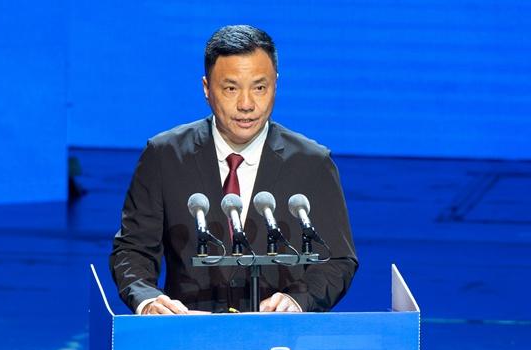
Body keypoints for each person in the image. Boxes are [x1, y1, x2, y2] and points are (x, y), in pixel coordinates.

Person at [110, 25, 358, 315]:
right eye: (231, 88)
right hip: (190, 331)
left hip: (280, 335)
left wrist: (298, 301)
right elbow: (133, 249)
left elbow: (338, 260)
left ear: (276, 84)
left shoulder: (312, 163)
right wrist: (148, 300)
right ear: (206, 88)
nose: (246, 104)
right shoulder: (164, 156)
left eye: (259, 88)